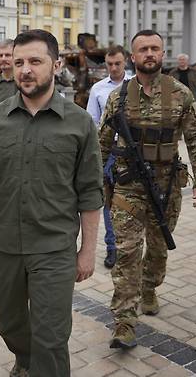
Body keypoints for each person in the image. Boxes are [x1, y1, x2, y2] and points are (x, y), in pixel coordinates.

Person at [0, 29, 103, 377]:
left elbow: (91, 193)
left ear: (56, 64)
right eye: (19, 62)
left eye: (35, 61)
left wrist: (88, 251)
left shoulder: (79, 123)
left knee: (51, 339)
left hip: (54, 249)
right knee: (9, 323)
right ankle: (26, 359)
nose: (25, 70)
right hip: (5, 248)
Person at [99, 30, 196, 349]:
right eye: (143, 49)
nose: (150, 53)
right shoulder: (118, 97)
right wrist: (95, 182)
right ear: (132, 57)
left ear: (162, 54)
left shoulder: (179, 94)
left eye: (155, 48)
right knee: (127, 251)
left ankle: (150, 286)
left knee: (159, 249)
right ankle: (124, 320)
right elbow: (102, 144)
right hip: (128, 188)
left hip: (166, 188)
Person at [86, 45, 131, 269]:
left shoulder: (136, 84)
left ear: (125, 62)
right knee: (108, 201)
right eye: (110, 64)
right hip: (108, 152)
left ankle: (129, 246)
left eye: (118, 64)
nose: (113, 68)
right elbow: (91, 122)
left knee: (132, 200)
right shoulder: (98, 89)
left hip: (132, 153)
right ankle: (112, 247)